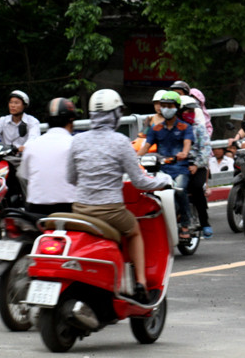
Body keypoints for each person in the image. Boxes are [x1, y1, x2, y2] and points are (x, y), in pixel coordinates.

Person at [67, 89, 171, 303]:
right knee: (134, 232)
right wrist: (164, 182)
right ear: (114, 115)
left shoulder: (77, 140)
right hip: (110, 211)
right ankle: (141, 283)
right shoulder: (121, 141)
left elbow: (70, 177)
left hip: (80, 210)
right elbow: (140, 181)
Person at [137, 91, 194, 239]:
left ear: (177, 108)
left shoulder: (185, 127)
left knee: (180, 190)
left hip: (180, 169)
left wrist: (184, 153)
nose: (166, 108)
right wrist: (134, 158)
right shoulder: (156, 128)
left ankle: (186, 224)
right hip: (161, 170)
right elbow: (146, 146)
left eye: (170, 106)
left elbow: (187, 144)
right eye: (164, 105)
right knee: (150, 194)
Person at [18, 98, 77, 215]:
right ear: (71, 120)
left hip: (36, 210)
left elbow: (24, 175)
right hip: (69, 210)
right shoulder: (75, 144)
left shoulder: (32, 145)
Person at [0, 90, 41, 199]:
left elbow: (33, 138)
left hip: (22, 159)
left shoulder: (32, 122)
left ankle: (29, 202)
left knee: (21, 176)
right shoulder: (3, 121)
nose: (13, 105)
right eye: (11, 102)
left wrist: (25, 147)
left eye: (16, 103)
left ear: (24, 105)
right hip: (5, 158)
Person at [179, 95, 213, 239]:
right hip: (179, 165)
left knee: (197, 187)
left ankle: (205, 222)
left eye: (192, 111)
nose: (190, 113)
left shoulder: (198, 127)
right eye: (187, 111)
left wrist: (196, 165)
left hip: (197, 165)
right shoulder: (174, 127)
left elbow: (205, 149)